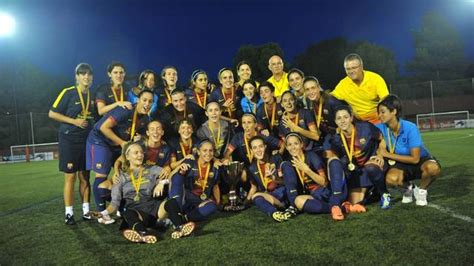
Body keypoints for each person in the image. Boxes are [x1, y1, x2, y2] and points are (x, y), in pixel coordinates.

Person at [94, 142, 196, 243]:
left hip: (153, 207)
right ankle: (143, 234)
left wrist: (161, 182)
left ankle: (180, 228)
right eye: (136, 153)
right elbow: (114, 203)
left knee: (171, 202)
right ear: (128, 156)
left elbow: (167, 174)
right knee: (128, 213)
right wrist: (103, 213)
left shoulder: (152, 169)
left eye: (141, 152)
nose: (140, 155)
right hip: (137, 212)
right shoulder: (120, 177)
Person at [86, 89, 153, 216]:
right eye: (144, 100)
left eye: (150, 101)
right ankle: (102, 213)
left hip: (118, 144)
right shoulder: (125, 110)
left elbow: (141, 137)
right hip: (100, 140)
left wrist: (139, 139)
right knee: (101, 175)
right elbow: (103, 127)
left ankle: (121, 206)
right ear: (138, 100)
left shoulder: (145, 119)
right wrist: (123, 143)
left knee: (124, 174)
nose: (147, 104)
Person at [49, 63, 96, 225]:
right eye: (82, 74)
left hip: (87, 141)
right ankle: (69, 213)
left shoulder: (93, 95)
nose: (86, 77)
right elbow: (52, 113)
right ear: (77, 77)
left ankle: (86, 211)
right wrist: (74, 121)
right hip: (69, 140)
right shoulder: (68, 92)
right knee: (70, 177)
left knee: (85, 177)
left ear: (92, 77)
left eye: (89, 74)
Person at [377, 95, 441, 206]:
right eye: (379, 112)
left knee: (432, 168)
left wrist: (387, 154)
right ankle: (409, 189)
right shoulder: (380, 127)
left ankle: (421, 191)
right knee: (391, 179)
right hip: (401, 163)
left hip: (420, 160)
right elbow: (363, 130)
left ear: (394, 111)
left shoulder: (410, 127)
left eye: (383, 112)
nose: (379, 115)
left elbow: (415, 159)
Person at [323, 105, 390, 211]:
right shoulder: (336, 140)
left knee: (370, 168)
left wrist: (380, 154)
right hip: (357, 170)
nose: (343, 121)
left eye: (345, 117)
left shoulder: (366, 128)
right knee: (354, 202)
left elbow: (382, 139)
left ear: (351, 118)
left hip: (373, 163)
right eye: (339, 118)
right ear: (335, 122)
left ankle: (384, 194)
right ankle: (373, 192)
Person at [280, 133, 347, 221]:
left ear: (301, 144)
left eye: (295, 144)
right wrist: (275, 179)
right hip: (312, 195)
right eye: (289, 145)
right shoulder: (290, 162)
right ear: (286, 147)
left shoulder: (311, 156)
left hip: (325, 192)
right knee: (298, 201)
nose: (292, 147)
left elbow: (324, 182)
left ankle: (337, 206)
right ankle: (341, 208)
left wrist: (307, 170)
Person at [169, 140, 221, 222]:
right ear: (198, 152)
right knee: (177, 177)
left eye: (211, 150)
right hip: (184, 199)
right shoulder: (190, 162)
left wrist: (217, 203)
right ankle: (177, 212)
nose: (208, 153)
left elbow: (215, 186)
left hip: (200, 201)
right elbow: (171, 177)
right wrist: (179, 170)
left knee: (212, 207)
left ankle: (185, 218)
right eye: (205, 150)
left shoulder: (215, 168)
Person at [331, 53, 389, 124]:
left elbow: (386, 100)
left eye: (354, 68)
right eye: (348, 69)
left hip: (378, 119)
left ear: (361, 67)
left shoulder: (376, 79)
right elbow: (329, 98)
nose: (351, 71)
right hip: (358, 122)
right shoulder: (343, 84)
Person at [246, 136, 288, 222]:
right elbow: (253, 187)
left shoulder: (276, 158)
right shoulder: (252, 167)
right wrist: (246, 202)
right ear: (251, 151)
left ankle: (281, 206)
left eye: (260, 146)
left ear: (265, 147)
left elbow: (287, 182)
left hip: (282, 192)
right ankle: (275, 213)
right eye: (254, 148)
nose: (258, 150)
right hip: (269, 195)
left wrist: (274, 178)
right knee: (256, 198)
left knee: (257, 196)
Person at [303, 76, 344, 152]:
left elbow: (345, 120)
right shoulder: (308, 101)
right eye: (307, 89)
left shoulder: (331, 101)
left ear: (318, 88)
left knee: (328, 151)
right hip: (325, 134)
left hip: (339, 133)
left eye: (313, 88)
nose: (311, 92)